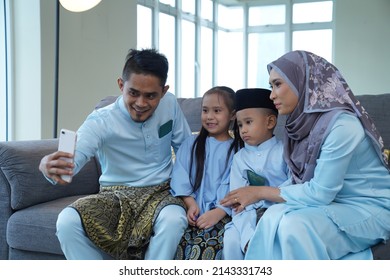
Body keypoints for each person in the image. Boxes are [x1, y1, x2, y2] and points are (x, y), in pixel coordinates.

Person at [222, 50, 390, 260]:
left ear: (303, 82)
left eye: (277, 84)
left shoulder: (342, 126)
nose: (272, 94)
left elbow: (320, 193)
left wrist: (258, 192)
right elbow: (298, 180)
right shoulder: (301, 125)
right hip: (334, 204)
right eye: (271, 86)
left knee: (294, 226)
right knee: (273, 217)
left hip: (368, 208)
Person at [39, 48, 192, 260]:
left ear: (164, 91)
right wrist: (50, 166)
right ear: (121, 85)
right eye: (133, 93)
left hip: (163, 192)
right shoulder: (100, 121)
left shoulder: (170, 104)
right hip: (115, 195)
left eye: (150, 96)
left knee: (174, 220)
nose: (140, 103)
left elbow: (186, 150)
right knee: (67, 222)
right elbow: (76, 156)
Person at [170, 86, 239, 260]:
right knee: (178, 244)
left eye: (217, 111)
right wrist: (191, 204)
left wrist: (218, 212)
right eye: (205, 110)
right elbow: (180, 175)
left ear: (232, 115)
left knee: (205, 246)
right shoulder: (190, 143)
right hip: (191, 210)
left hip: (221, 214)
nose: (209, 116)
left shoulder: (237, 150)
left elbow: (234, 185)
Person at [222, 88, 289, 260]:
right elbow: (237, 202)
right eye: (240, 124)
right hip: (247, 216)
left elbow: (294, 187)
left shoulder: (285, 152)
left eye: (249, 122)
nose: (243, 130)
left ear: (270, 122)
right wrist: (247, 236)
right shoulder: (239, 159)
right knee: (230, 240)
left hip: (279, 212)